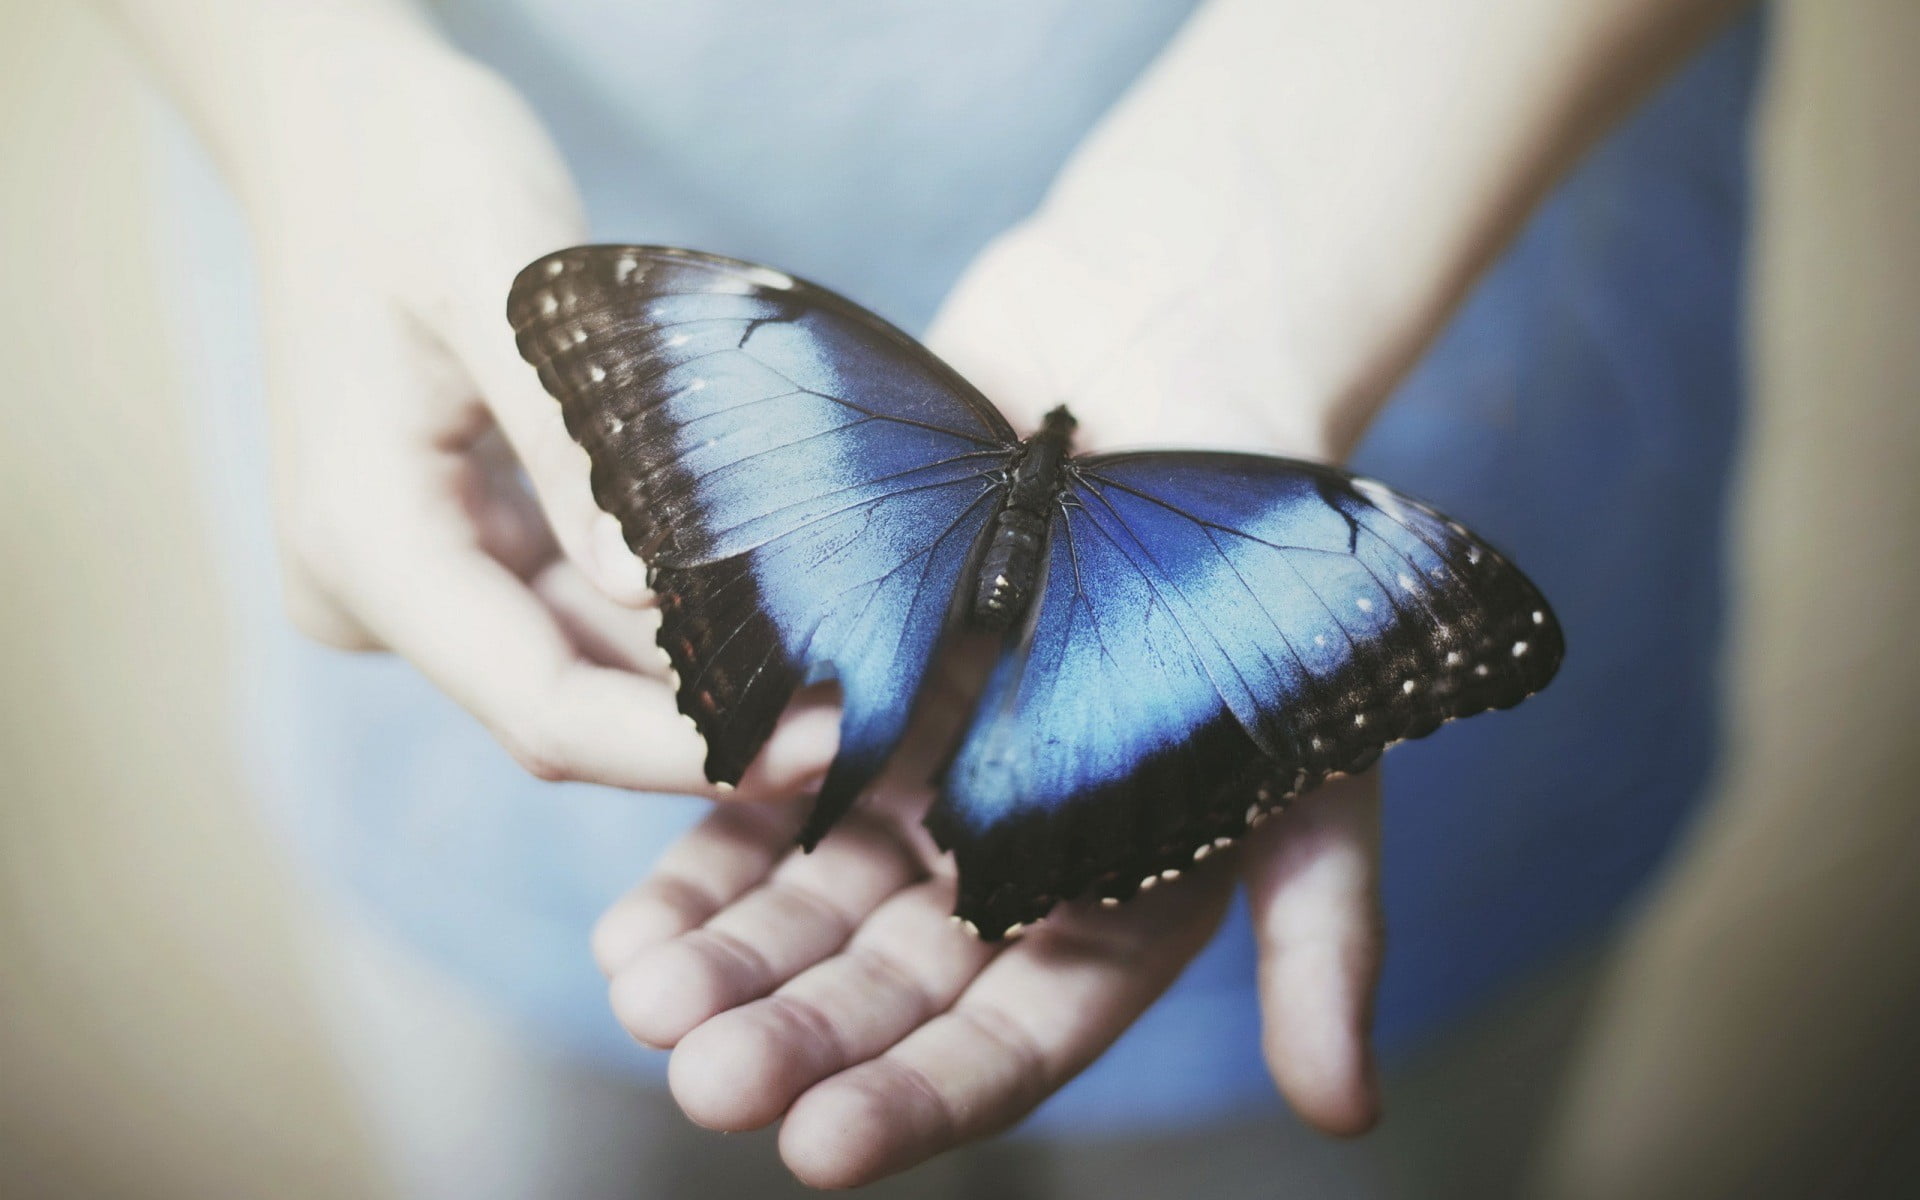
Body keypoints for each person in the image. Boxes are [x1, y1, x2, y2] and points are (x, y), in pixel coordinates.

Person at [111, 0, 1761, 1194]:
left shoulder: (876, 393)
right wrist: (308, 97)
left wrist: (1300, 209)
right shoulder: (1202, 504)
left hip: (1479, 275)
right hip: (511, 752)